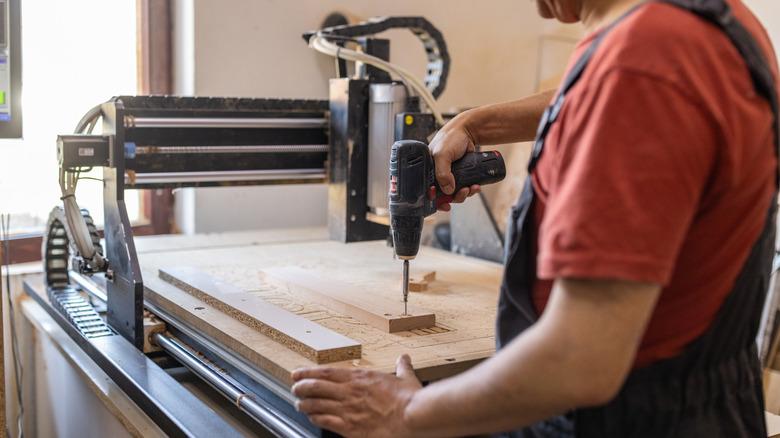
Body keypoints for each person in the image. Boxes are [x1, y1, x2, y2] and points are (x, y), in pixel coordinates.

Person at [291, 0, 780, 436]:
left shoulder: (640, 64)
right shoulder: (716, 22)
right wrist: (476, 123)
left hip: (622, 418)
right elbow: (595, 95)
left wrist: (407, 412)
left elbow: (579, 360)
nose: (536, 8)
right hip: (713, 403)